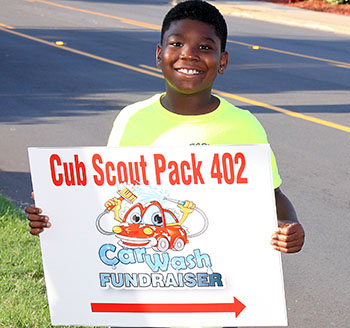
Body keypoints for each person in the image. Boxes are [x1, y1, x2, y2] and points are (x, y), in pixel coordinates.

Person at [26, 0, 304, 256]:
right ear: (160, 54)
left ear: (223, 61)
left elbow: (272, 196)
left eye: (205, 47)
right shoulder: (131, 119)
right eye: (177, 43)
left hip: (216, 276)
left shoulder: (243, 125)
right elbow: (110, 195)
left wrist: (290, 226)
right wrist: (55, 208)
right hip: (147, 279)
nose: (190, 55)